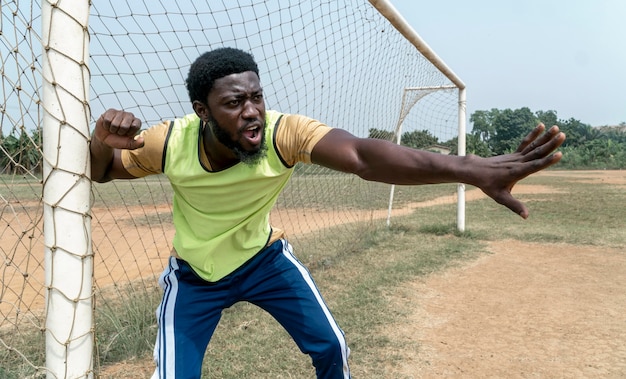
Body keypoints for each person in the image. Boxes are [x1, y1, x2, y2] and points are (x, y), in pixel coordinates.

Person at [90, 47, 565, 379]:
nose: (252, 111)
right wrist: (98, 141)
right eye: (234, 103)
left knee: (332, 347)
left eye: (256, 96)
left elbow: (362, 155)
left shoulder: (284, 134)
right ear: (202, 110)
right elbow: (105, 170)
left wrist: (469, 168)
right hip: (194, 275)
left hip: (264, 262)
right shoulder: (169, 141)